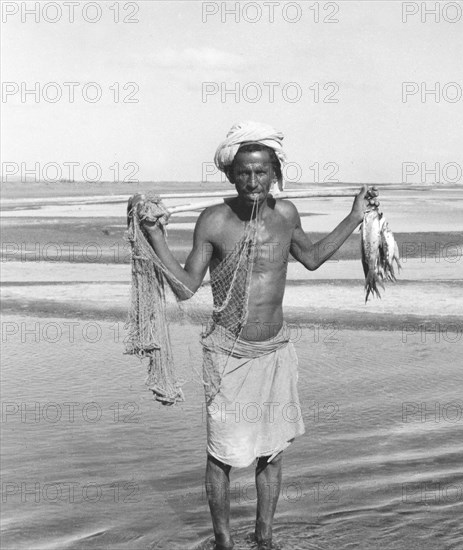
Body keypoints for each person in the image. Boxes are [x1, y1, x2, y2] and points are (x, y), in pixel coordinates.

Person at [128, 121, 377, 550]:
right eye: (243, 172)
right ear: (230, 175)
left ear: (275, 173)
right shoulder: (214, 221)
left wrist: (355, 217)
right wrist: (155, 238)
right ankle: (223, 543)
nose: (252, 181)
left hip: (276, 350)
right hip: (228, 355)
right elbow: (186, 288)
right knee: (221, 456)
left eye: (261, 172)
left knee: (273, 452)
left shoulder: (287, 215)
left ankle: (265, 537)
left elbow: (313, 258)